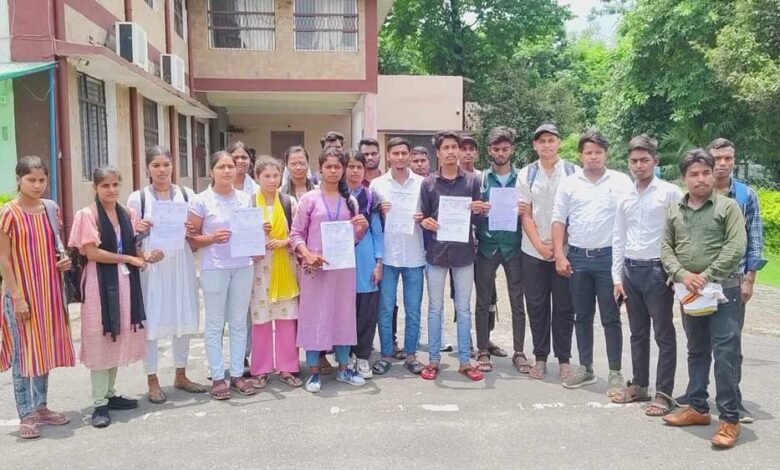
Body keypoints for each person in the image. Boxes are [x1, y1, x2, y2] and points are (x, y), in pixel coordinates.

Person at [660, 149, 747, 449]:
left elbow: (735, 247)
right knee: (696, 350)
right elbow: (666, 248)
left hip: (723, 291)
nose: (701, 179)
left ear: (713, 174)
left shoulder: (728, 207)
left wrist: (706, 276)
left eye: (705, 173)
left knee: (725, 354)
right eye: (694, 174)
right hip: (689, 292)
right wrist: (684, 275)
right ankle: (697, 407)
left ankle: (730, 419)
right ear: (683, 178)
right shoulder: (675, 209)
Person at [69, 166, 163, 428]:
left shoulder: (128, 213)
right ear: (95, 188)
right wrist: (129, 258)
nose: (110, 190)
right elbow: (92, 253)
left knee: (117, 335)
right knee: (100, 336)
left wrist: (148, 255)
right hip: (99, 283)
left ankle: (110, 394)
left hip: (124, 282)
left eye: (114, 185)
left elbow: (135, 249)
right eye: (105, 185)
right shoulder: (87, 215)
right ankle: (99, 402)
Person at [0, 156, 75, 439]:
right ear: (18, 179)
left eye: (42, 179)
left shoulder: (50, 209)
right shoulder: (8, 213)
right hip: (22, 294)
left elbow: (57, 248)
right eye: (31, 179)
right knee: (23, 354)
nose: (37, 185)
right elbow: (4, 260)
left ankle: (41, 406)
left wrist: (64, 260)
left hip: (49, 293)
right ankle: (26, 414)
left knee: (43, 350)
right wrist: (17, 298)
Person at [551, 130, 633, 392]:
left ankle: (615, 372)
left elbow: (631, 217)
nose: (593, 157)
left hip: (609, 259)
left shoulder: (621, 181)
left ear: (606, 154)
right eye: (588, 152)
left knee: (611, 317)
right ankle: (585, 368)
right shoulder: (569, 183)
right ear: (580, 155)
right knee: (582, 316)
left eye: (598, 152)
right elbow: (558, 220)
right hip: (578, 258)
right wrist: (560, 255)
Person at [610, 135, 682, 416]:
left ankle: (664, 393)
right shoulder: (625, 196)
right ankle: (639, 384)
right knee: (638, 332)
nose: (638, 165)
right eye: (634, 161)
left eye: (644, 160)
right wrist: (617, 277)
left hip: (658, 271)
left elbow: (681, 233)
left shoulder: (670, 193)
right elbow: (619, 237)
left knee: (663, 333)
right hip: (631, 270)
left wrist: (675, 272)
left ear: (655, 161)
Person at [128, 146, 204, 404]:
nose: (162, 170)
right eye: (156, 165)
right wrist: (138, 229)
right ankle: (152, 379)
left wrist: (191, 229)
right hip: (153, 264)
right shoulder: (138, 199)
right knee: (152, 317)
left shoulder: (187, 195)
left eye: (166, 165)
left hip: (180, 260)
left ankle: (181, 374)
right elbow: (128, 238)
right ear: (148, 168)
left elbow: (196, 231)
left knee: (183, 313)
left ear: (173, 166)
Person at [290, 147, 369, 393]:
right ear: (320, 169)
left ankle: (344, 368)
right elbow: (295, 235)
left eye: (337, 166)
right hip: (316, 269)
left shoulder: (350, 201)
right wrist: (307, 254)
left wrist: (362, 228)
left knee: (343, 314)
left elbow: (353, 239)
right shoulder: (309, 199)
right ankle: (313, 371)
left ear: (343, 169)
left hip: (343, 269)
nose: (333, 171)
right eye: (329, 166)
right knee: (315, 316)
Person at [188, 151, 257, 400]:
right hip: (215, 267)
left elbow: (250, 230)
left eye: (230, 166)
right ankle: (218, 377)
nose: (227, 171)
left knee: (239, 322)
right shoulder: (201, 201)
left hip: (243, 265)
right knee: (215, 323)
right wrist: (211, 238)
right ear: (212, 171)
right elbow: (191, 238)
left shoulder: (245, 199)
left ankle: (237, 374)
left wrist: (258, 231)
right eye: (221, 167)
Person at [419, 130, 488, 381]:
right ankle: (434, 359)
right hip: (437, 253)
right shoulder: (428, 183)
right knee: (435, 308)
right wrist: (426, 222)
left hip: (464, 253)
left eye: (454, 147)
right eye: (445, 148)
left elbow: (478, 219)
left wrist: (480, 210)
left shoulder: (472, 181)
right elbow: (423, 216)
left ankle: (465, 361)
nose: (450, 152)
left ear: (459, 151)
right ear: (438, 153)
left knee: (464, 308)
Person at [708, 137, 766, 424]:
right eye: (717, 158)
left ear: (734, 160)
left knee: (730, 344)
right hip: (700, 280)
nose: (722, 163)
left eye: (727, 158)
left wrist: (750, 278)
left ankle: (733, 401)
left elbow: (755, 237)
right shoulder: (697, 189)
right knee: (698, 344)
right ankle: (696, 397)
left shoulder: (745, 195)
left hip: (734, 280)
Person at [517, 124, 578, 381]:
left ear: (559, 143)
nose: (546, 145)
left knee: (564, 306)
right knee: (536, 305)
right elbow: (525, 214)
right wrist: (541, 246)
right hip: (533, 250)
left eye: (551, 140)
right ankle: (540, 357)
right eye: (541, 141)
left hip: (565, 251)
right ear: (535, 145)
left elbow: (576, 213)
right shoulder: (527, 174)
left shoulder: (573, 173)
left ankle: (564, 359)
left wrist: (558, 246)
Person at [370, 138, 426, 376]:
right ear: (388, 155)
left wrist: (423, 217)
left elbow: (431, 215)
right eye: (396, 153)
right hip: (388, 255)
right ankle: (385, 354)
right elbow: (372, 221)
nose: (400, 157)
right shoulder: (377, 185)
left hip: (415, 254)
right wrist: (379, 211)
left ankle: (411, 354)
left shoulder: (423, 184)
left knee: (413, 309)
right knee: (385, 308)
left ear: (410, 155)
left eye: (404, 153)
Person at [473, 127, 526, 373]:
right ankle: (483, 349)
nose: (501, 153)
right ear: (489, 151)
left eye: (505, 149)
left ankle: (519, 351)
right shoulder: (481, 179)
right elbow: (472, 214)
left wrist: (525, 210)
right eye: (496, 149)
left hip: (514, 246)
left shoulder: (523, 178)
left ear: (512, 149)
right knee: (483, 300)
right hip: (487, 245)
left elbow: (531, 211)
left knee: (517, 300)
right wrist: (478, 211)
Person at [248, 157, 303, 388]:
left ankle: (287, 367)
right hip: (259, 269)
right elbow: (241, 234)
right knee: (260, 319)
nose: (272, 180)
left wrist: (283, 242)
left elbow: (299, 232)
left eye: (275, 175)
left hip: (285, 267)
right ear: (257, 177)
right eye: (266, 176)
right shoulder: (249, 203)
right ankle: (260, 369)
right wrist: (255, 234)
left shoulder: (289, 202)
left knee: (286, 318)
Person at [345, 149, 384, 379]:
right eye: (351, 166)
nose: (355, 171)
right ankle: (345, 355)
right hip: (342, 261)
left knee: (367, 311)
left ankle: (362, 356)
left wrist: (379, 262)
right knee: (345, 310)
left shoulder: (370, 197)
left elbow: (378, 233)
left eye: (359, 167)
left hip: (366, 260)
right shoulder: (335, 196)